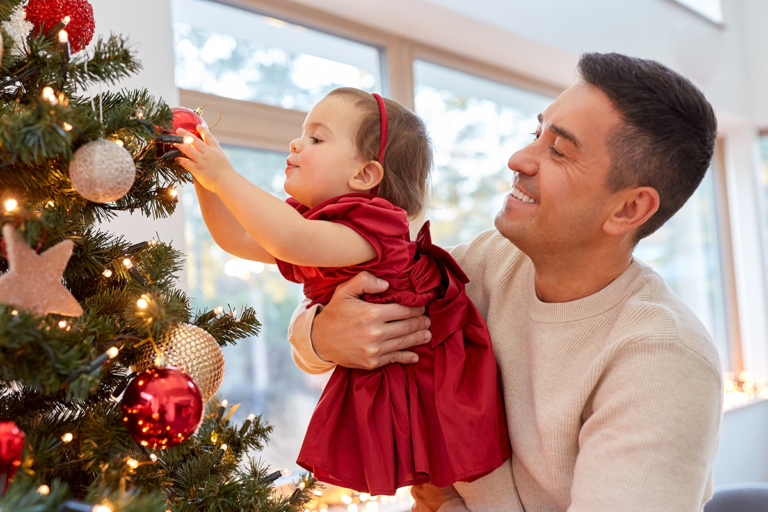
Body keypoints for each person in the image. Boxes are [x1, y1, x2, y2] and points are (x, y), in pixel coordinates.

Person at [288, 53, 724, 512]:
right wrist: (324, 335)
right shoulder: (491, 261)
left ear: (628, 210)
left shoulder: (665, 362)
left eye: (558, 150)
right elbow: (332, 308)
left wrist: (450, 503)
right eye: (536, 134)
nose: (518, 159)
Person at [172, 87, 511, 496]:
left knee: (443, 488)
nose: (296, 143)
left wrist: (224, 174)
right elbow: (236, 236)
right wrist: (201, 175)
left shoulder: (374, 227)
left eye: (316, 138)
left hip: (433, 387)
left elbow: (288, 238)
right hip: (390, 374)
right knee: (433, 494)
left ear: (365, 175)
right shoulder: (317, 228)